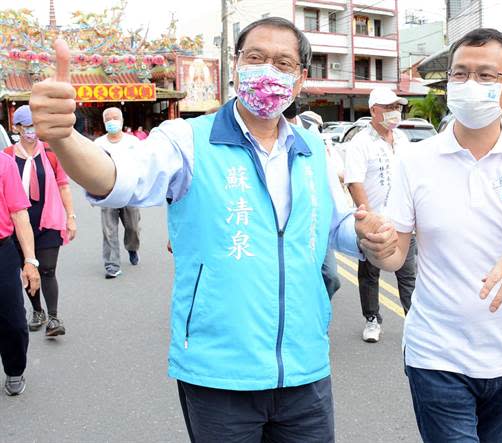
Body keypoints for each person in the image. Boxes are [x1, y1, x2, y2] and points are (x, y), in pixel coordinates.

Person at [30, 17, 397, 442]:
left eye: (282, 63)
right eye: (256, 58)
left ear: (300, 80)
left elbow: (335, 227)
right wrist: (65, 137)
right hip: (219, 375)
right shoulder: (186, 139)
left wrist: (370, 236)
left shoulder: (313, 149)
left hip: (305, 369)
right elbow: (114, 177)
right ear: (236, 66)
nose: (267, 71)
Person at [361, 28, 502, 442]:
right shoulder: (416, 159)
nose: (469, 85)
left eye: (485, 76)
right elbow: (394, 257)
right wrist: (379, 246)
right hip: (436, 354)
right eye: (459, 74)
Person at [344, 86, 417, 343]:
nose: (394, 113)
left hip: (403, 221)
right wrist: (369, 220)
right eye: (388, 108)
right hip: (374, 221)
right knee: (370, 273)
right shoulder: (360, 143)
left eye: (397, 107)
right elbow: (354, 182)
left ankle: (414, 321)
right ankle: (372, 319)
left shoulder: (403, 141)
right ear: (374, 110)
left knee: (408, 273)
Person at [5, 105, 76, 337]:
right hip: (18, 223)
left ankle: (54, 318)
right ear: (16, 128)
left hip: (48, 219)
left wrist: (71, 217)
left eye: (34, 126)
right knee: (28, 267)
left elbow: (64, 186)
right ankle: (37, 310)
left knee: (47, 268)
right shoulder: (6, 156)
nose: (31, 131)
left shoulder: (50, 152)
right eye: (26, 127)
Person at [283, 103, 342, 300]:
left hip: (313, 219)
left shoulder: (311, 133)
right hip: (287, 221)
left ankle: (319, 311)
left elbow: (330, 173)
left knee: (331, 276)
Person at [0, 151, 40, 395]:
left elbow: (19, 213)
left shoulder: (4, 163)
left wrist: (30, 261)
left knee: (12, 320)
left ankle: (14, 369)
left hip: (2, 250)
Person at [94, 107, 141, 278]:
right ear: (104, 122)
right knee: (109, 230)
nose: (112, 121)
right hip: (107, 193)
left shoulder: (133, 142)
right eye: (108, 119)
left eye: (115, 118)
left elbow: (142, 165)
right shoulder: (98, 144)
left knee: (133, 227)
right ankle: (112, 265)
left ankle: (132, 248)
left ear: (122, 121)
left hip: (129, 192)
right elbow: (90, 169)